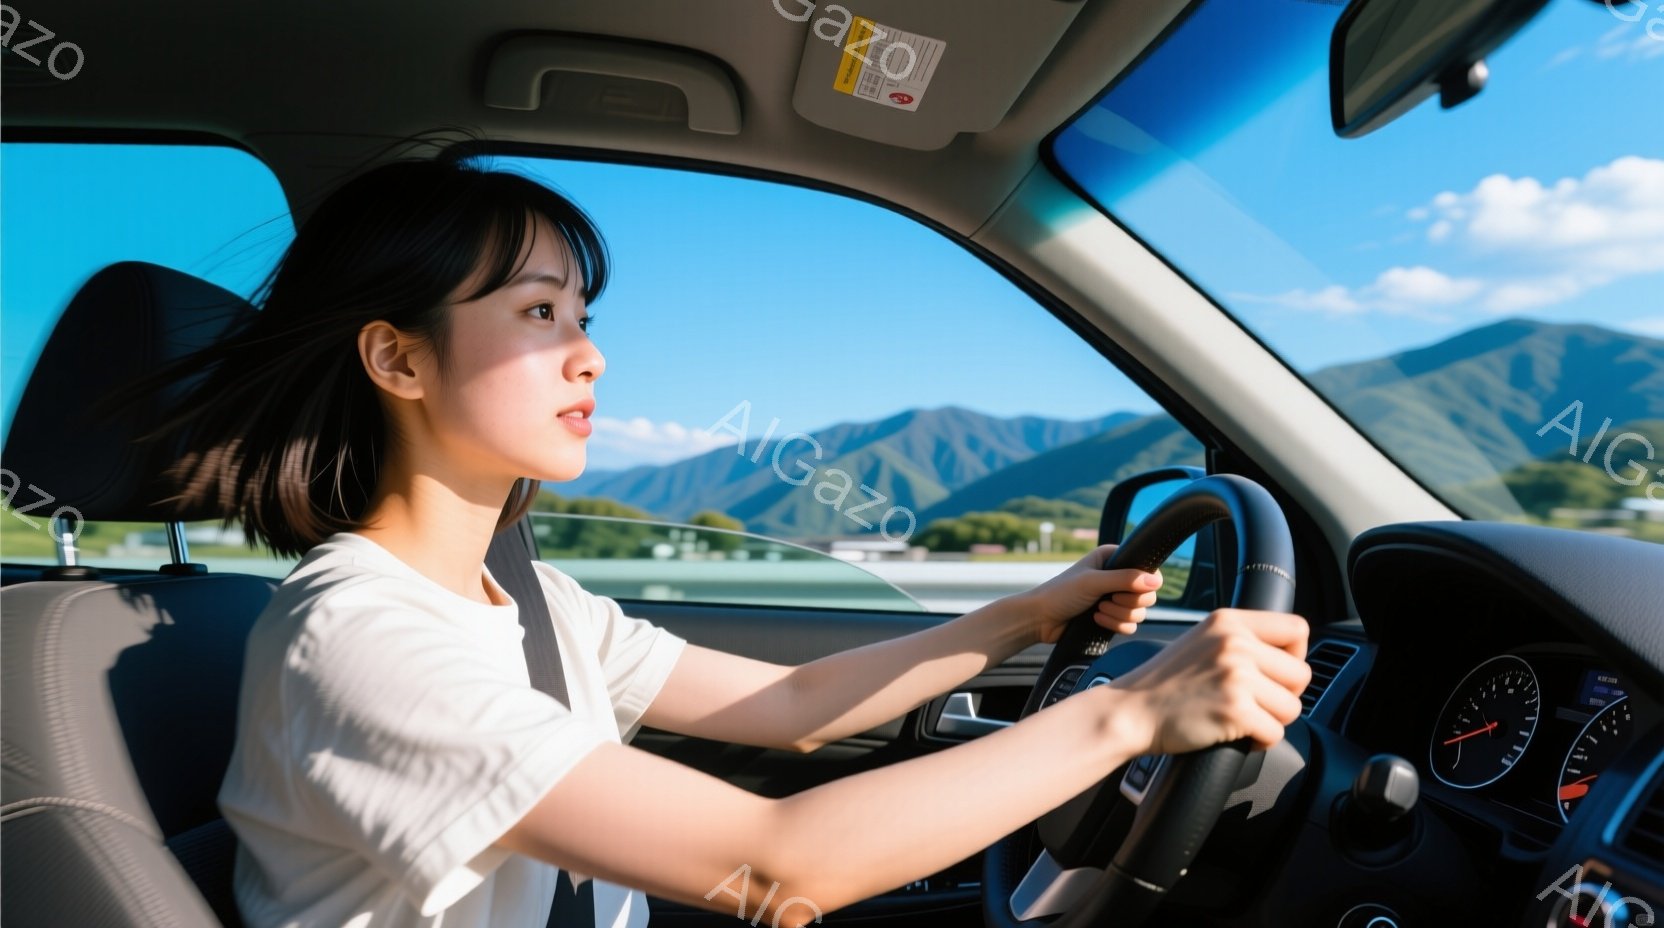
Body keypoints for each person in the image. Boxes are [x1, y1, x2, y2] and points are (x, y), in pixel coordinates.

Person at [121, 156, 1311, 928]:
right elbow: (778, 868)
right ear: (398, 359)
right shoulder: (358, 638)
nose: (589, 355)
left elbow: (789, 702)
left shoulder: (522, 601)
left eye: (583, 318)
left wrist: (1025, 615)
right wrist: (1129, 714)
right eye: (538, 313)